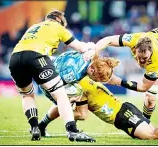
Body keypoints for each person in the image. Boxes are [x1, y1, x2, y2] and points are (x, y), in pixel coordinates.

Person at [9, 10, 96, 142]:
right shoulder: (58, 27)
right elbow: (80, 47)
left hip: (15, 58)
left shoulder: (34, 26)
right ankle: (72, 131)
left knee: (27, 95)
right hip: (37, 56)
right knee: (60, 93)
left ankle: (34, 127)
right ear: (60, 21)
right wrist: (91, 47)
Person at [39, 76, 158, 139]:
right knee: (157, 130)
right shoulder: (84, 80)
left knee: (153, 136)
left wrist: (66, 113)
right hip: (124, 107)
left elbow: (82, 115)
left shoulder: (79, 89)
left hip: (122, 115)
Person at [94, 17, 158, 120]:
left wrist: (118, 81)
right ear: (135, 47)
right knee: (154, 33)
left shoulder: (156, 62)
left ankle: (146, 121)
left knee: (150, 98)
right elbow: (108, 40)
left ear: (151, 52)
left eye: (145, 58)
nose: (142, 61)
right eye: (139, 56)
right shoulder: (133, 39)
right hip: (152, 36)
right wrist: (94, 50)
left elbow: (143, 87)